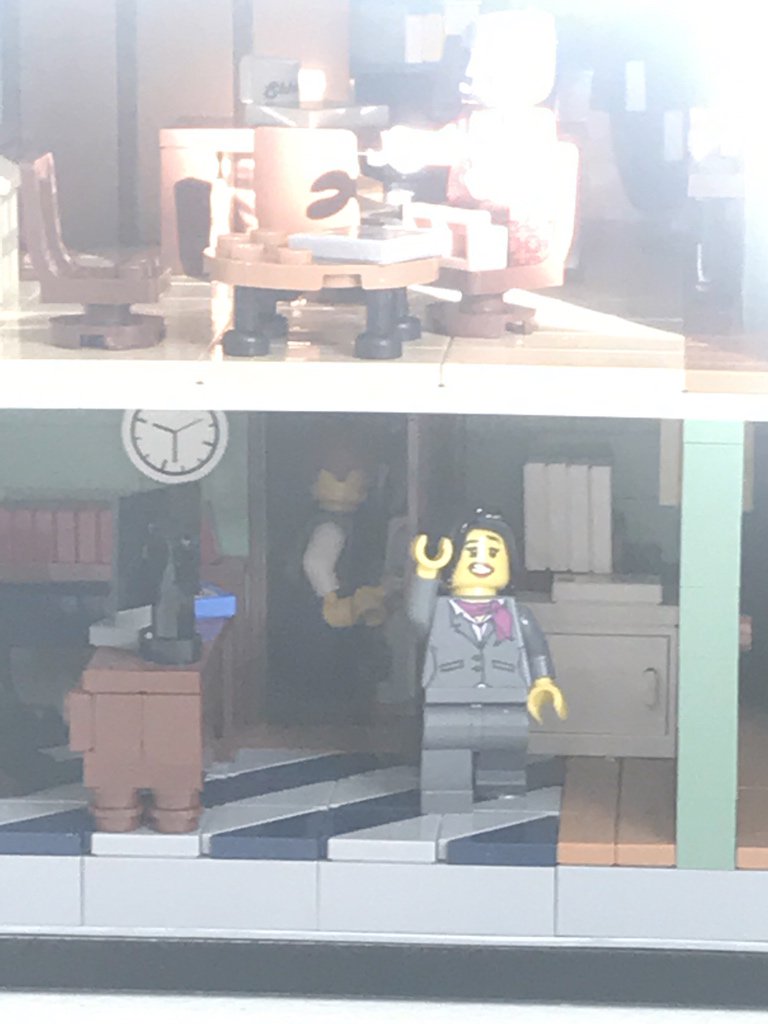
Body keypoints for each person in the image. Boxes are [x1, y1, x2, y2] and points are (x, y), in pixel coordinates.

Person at [408, 509, 567, 812]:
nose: (482, 560)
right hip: (448, 695)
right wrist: (427, 571)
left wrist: (543, 681)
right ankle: (445, 792)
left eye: (494, 553)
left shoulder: (515, 614)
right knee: (446, 748)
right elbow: (417, 617)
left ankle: (501, 788)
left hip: (505, 694)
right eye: (471, 551)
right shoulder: (440, 610)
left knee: (505, 746)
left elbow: (536, 649)